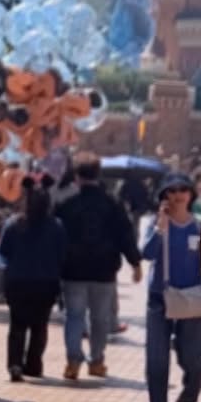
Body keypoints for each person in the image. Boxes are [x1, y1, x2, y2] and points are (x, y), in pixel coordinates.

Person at [56, 157, 141, 382]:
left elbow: (57, 236)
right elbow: (125, 234)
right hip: (104, 270)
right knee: (100, 319)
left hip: (72, 270)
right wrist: (135, 262)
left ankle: (73, 360)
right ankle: (97, 360)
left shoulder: (67, 204)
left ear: (77, 176)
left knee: (74, 316)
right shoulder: (111, 203)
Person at [141, 173, 201, 402]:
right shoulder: (157, 224)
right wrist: (160, 228)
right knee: (156, 360)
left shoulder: (200, 227)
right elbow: (146, 253)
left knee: (191, 358)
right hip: (159, 299)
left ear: (190, 194)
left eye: (182, 190)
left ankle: (190, 396)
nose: (177, 195)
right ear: (164, 196)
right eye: (171, 191)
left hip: (190, 299)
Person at [0, 176, 66, 381]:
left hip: (17, 281)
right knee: (39, 325)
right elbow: (62, 254)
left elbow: (4, 251)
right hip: (46, 282)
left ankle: (15, 364)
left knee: (17, 325)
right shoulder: (56, 226)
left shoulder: (13, 224)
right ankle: (34, 364)